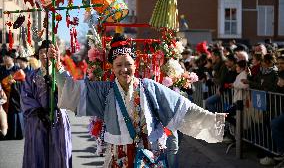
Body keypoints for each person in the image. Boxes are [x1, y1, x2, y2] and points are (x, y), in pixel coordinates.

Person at [50, 33, 227, 168]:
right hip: (118, 157)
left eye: (128, 64)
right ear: (111, 67)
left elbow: (181, 106)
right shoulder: (105, 90)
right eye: (118, 65)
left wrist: (213, 118)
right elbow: (73, 89)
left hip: (147, 156)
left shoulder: (149, 87)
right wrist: (57, 66)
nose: (124, 69)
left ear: (135, 65)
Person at [21, 40, 72, 168]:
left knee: (59, 152)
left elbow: (70, 92)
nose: (45, 55)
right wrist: (38, 111)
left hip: (58, 118)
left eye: (48, 51)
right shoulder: (30, 76)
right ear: (38, 55)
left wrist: (56, 80)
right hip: (37, 119)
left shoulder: (62, 73)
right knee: (37, 152)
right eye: (42, 52)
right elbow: (25, 96)